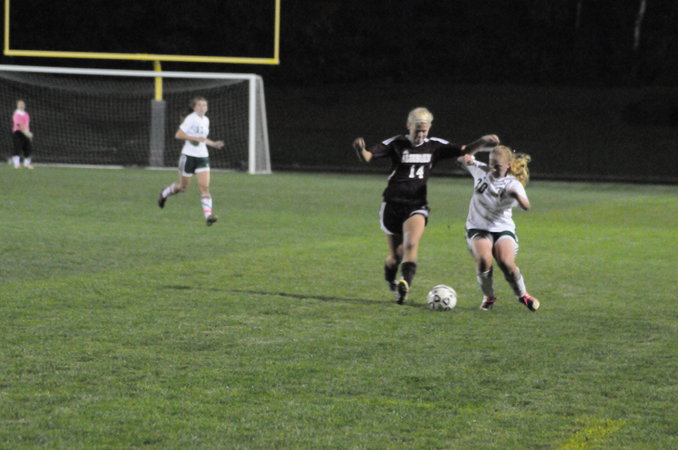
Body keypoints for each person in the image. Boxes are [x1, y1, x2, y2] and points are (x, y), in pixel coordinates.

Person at [353, 107, 499, 304]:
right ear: (409, 126)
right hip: (392, 204)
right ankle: (391, 282)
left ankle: (405, 283)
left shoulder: (434, 146)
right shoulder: (396, 143)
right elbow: (368, 156)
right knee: (396, 256)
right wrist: (360, 149)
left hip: (416, 204)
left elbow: (464, 150)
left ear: (429, 128)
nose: (420, 134)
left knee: (411, 244)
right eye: (417, 130)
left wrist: (482, 141)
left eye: (424, 130)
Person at [457, 145, 540, 311]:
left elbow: (526, 206)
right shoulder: (481, 171)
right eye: (491, 164)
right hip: (478, 227)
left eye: (498, 166)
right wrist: (469, 156)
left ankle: (522, 295)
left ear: (508, 165)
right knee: (484, 260)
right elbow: (461, 159)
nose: (493, 169)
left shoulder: (513, 184)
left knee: (506, 262)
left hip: (502, 228)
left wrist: (517, 197)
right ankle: (489, 297)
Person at [157, 97, 225, 226]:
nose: (202, 107)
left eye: (204, 105)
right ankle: (164, 193)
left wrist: (213, 144)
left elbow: (202, 138)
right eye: (199, 105)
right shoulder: (190, 119)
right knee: (182, 188)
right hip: (188, 157)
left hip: (202, 157)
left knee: (204, 187)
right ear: (194, 108)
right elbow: (179, 135)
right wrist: (193, 138)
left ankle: (208, 216)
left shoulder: (206, 120)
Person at [12, 99, 34, 169]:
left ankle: (27, 164)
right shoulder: (16, 114)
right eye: (20, 104)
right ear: (17, 105)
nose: (22, 105)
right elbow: (19, 125)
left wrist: (28, 132)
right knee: (17, 148)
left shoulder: (26, 114)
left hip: (26, 132)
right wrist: (26, 133)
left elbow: (27, 124)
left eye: (23, 104)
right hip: (18, 132)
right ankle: (17, 164)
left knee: (28, 148)